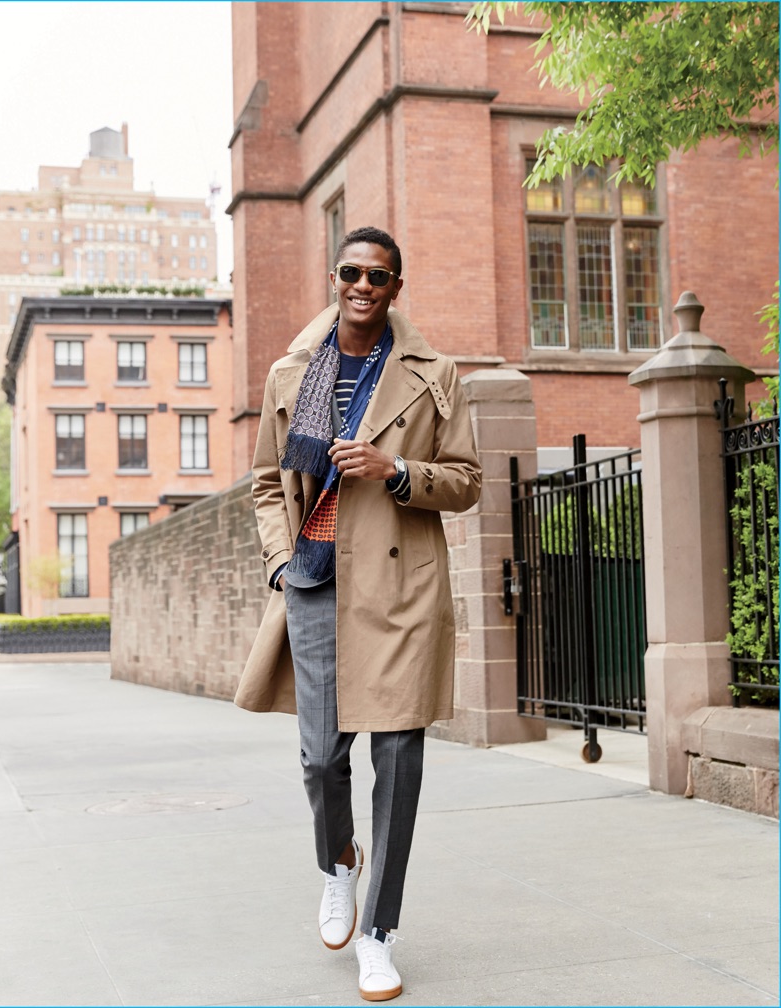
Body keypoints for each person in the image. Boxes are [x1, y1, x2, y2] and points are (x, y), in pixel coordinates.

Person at [235, 226, 481, 1002]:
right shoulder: (291, 372)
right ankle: (338, 861)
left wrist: (396, 469)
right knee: (319, 758)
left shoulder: (435, 374)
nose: (364, 285)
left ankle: (379, 933)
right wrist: (279, 562)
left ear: (397, 288)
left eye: (380, 275)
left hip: (400, 586)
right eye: (352, 272)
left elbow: (468, 480)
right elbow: (269, 483)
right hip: (312, 577)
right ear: (334, 279)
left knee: (399, 764)